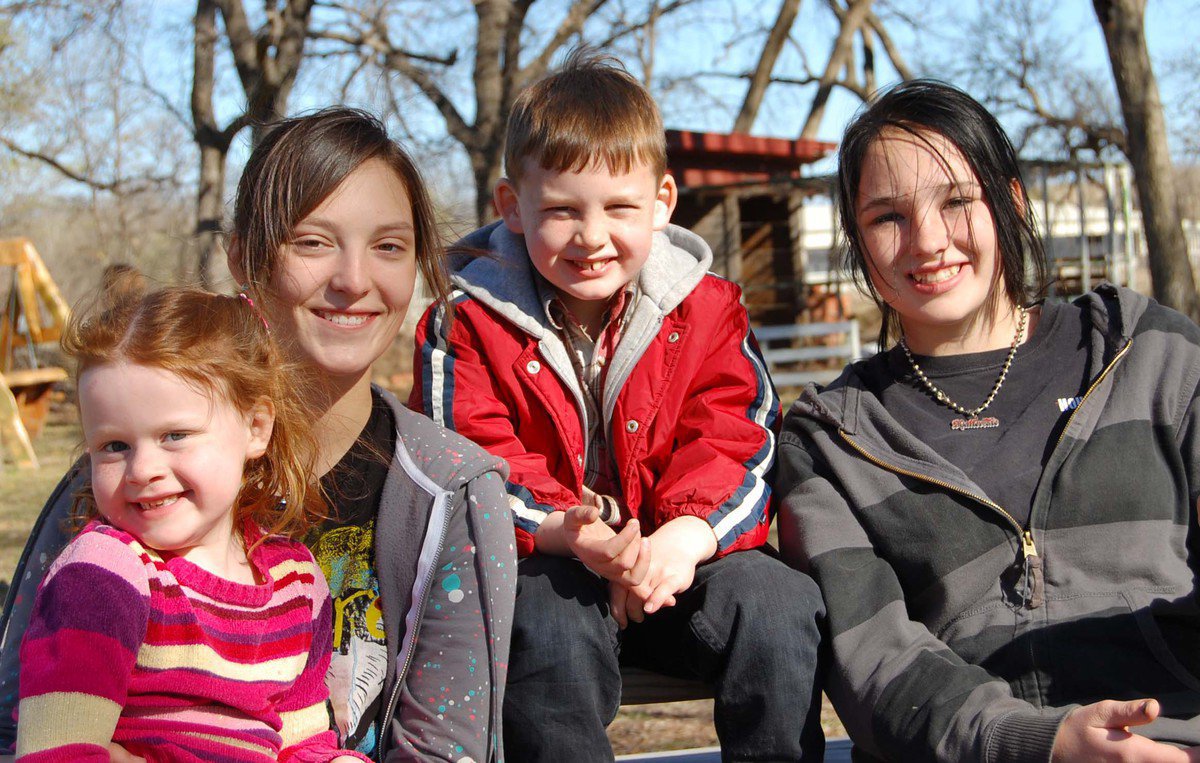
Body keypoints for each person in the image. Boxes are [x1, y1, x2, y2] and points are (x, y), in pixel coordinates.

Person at [0, 108, 515, 763]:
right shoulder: (127, 480)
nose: (353, 279)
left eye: (389, 246)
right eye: (312, 241)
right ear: (242, 256)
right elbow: (17, 725)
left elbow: (448, 750)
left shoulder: (452, 492)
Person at [410, 50, 825, 762]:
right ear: (513, 207)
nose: (592, 236)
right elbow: (465, 454)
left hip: (676, 560)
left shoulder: (707, 308)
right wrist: (567, 531)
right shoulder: (466, 321)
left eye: (620, 208)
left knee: (777, 602)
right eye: (563, 209)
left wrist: (683, 539)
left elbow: (739, 433)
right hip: (553, 559)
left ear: (662, 202)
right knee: (539, 615)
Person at [775, 79, 1200, 762]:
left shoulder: (1152, 357)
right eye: (888, 217)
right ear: (857, 238)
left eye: (957, 200)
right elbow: (877, 663)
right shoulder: (832, 440)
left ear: (1011, 200)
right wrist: (1043, 742)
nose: (928, 241)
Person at [15, 284, 368, 762]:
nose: (142, 469)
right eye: (113, 446)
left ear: (256, 427)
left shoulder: (297, 584)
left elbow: (302, 741)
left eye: (174, 435)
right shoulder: (104, 575)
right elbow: (58, 751)